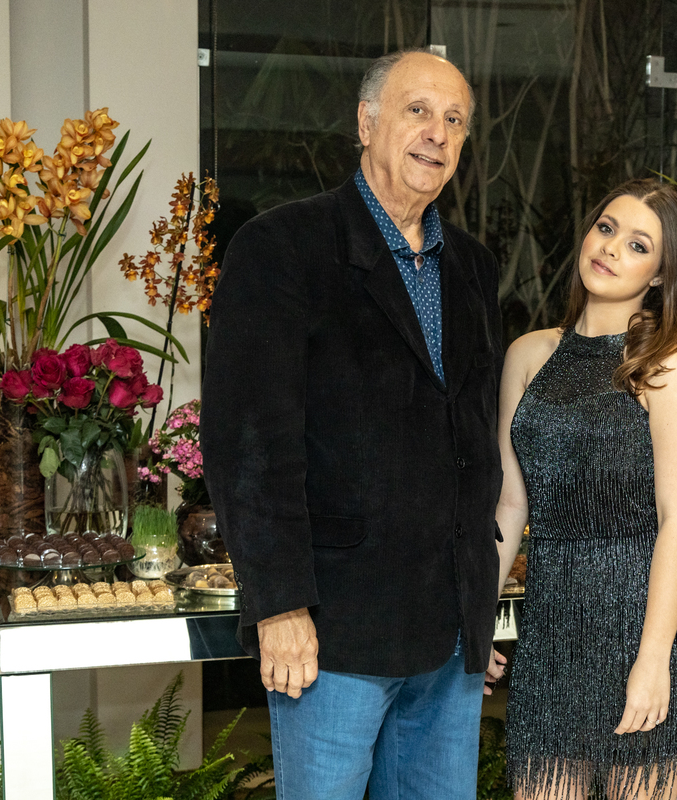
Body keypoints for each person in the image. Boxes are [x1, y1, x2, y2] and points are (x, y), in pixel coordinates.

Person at [202, 49, 505, 800]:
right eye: (417, 111)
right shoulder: (281, 248)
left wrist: (480, 610)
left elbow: (472, 441)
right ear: (366, 124)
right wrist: (279, 603)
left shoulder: (472, 267)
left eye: (455, 120)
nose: (437, 133)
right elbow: (249, 446)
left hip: (448, 635)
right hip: (333, 632)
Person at [494, 178, 677, 800]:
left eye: (638, 245)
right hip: (552, 640)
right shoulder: (528, 354)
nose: (611, 248)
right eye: (607, 228)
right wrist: (482, 617)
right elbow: (510, 504)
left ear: (661, 274)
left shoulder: (669, 367)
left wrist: (654, 660)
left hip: (642, 632)